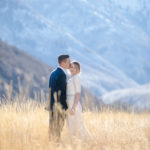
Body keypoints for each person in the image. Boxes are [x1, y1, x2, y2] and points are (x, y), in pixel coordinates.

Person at [66, 61, 92, 141]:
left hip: (73, 104)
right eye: (71, 67)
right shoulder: (71, 78)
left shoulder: (76, 78)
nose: (72, 69)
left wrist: (73, 107)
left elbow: (78, 93)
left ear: (78, 70)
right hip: (69, 103)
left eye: (75, 68)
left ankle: (87, 142)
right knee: (72, 125)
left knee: (77, 126)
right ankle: (77, 143)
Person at [49, 54, 70, 139]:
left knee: (52, 129)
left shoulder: (53, 73)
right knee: (58, 129)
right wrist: (66, 107)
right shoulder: (62, 75)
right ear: (62, 63)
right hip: (59, 107)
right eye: (68, 62)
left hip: (52, 105)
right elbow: (62, 94)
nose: (70, 64)